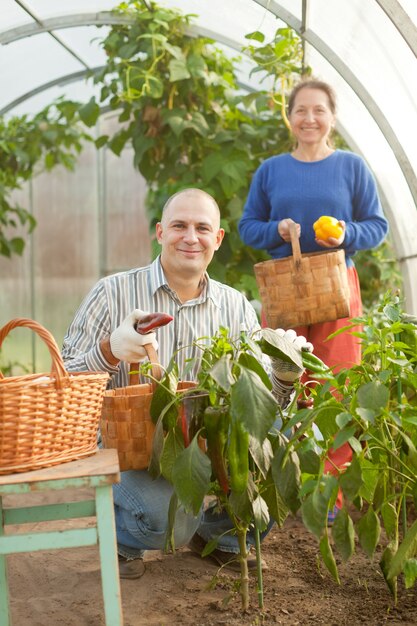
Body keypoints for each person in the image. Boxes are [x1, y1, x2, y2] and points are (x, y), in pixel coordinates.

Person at [62, 188, 312, 579]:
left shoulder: (235, 306)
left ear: (218, 238)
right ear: (160, 232)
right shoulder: (112, 293)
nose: (190, 237)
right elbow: (65, 384)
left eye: (202, 228)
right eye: (179, 226)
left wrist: (283, 377)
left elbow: (261, 407)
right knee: (167, 521)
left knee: (286, 442)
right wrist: (109, 351)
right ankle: (125, 537)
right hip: (132, 450)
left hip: (203, 443)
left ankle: (224, 537)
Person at [238, 77, 389, 517]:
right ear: (290, 116)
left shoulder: (351, 167)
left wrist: (346, 233)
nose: (309, 118)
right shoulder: (271, 170)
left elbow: (376, 226)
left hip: (336, 287)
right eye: (300, 110)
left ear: (332, 117)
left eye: (318, 110)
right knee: (280, 383)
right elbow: (249, 226)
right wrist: (278, 231)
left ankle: (329, 498)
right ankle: (280, 489)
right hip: (286, 289)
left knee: (335, 386)